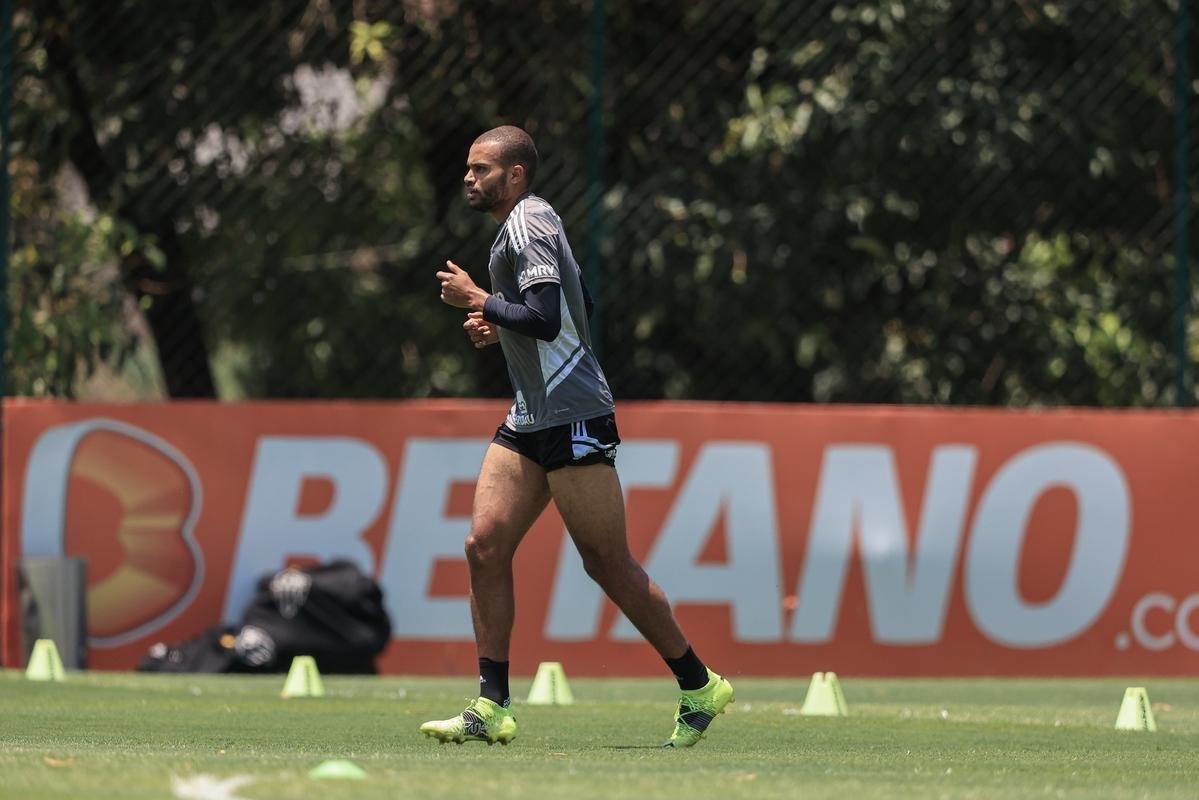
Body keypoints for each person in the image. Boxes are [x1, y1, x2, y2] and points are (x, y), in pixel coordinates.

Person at [421, 125, 734, 748]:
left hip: (573, 414)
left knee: (606, 564)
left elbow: (545, 315)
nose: (468, 178)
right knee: (484, 546)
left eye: (481, 169)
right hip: (531, 414)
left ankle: (700, 684)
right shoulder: (525, 225)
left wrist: (480, 300)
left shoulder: (529, 221)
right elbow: (574, 300)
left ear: (515, 174)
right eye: (468, 168)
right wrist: (496, 321)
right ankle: (493, 706)